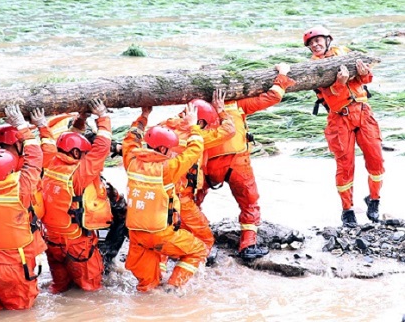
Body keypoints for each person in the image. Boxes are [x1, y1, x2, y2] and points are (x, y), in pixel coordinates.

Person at [199, 63, 295, 260]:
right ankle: (248, 246)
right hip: (237, 163)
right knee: (249, 203)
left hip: (206, 164)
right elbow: (273, 96)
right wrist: (282, 75)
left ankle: (198, 244)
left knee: (191, 202)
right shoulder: (237, 103)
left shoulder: (194, 106)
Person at [303, 26, 384, 228]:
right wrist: (340, 83)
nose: (315, 45)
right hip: (339, 118)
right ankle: (347, 210)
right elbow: (328, 94)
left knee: (376, 159)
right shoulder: (313, 67)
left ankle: (374, 200)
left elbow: (366, 80)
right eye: (311, 43)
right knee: (345, 166)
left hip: (363, 112)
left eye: (318, 40)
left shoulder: (345, 52)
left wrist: (365, 74)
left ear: (328, 40)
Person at [122, 103, 208, 292]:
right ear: (162, 150)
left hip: (136, 236)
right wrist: (193, 125)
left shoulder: (131, 161)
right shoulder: (168, 168)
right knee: (198, 250)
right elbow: (195, 149)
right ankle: (173, 289)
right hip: (162, 233)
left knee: (147, 287)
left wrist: (144, 115)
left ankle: (151, 306)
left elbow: (131, 138)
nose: (172, 152)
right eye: (170, 149)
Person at [0, 105, 46, 311]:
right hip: (14, 266)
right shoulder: (20, 189)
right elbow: (35, 159)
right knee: (19, 313)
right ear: (11, 169)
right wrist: (22, 125)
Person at [41, 98, 113, 292]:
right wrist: (103, 117)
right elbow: (101, 149)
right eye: (82, 153)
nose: (84, 157)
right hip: (77, 242)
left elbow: (51, 141)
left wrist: (81, 120)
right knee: (91, 289)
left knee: (60, 288)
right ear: (74, 153)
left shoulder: (49, 162)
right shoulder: (78, 174)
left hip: (52, 242)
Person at [159, 90, 235, 266]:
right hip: (180, 198)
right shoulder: (197, 135)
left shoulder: (163, 126)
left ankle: (163, 268)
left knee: (164, 236)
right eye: (207, 125)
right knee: (205, 237)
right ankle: (192, 272)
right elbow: (229, 130)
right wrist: (221, 110)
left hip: (158, 196)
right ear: (199, 122)